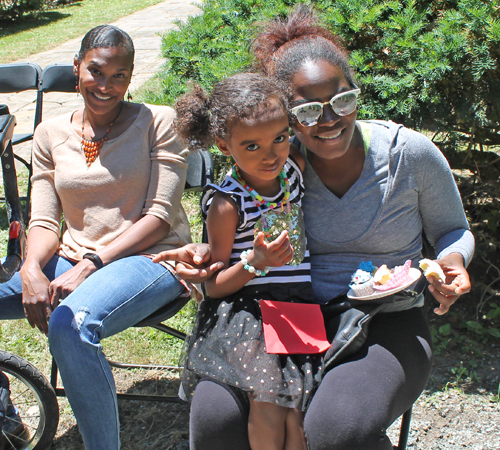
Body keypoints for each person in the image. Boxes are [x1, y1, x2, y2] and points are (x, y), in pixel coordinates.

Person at [175, 5, 474, 450]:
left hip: (385, 320)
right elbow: (236, 222)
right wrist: (202, 252)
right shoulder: (279, 163)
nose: (330, 119)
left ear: (357, 91)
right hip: (284, 316)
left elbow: (454, 229)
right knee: (218, 421)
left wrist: (452, 261)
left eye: (342, 100)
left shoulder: (407, 155)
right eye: (309, 110)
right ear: (287, 116)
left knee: (332, 434)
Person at [0, 25, 219, 450]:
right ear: (77, 67)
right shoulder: (49, 134)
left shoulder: (158, 122)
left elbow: (159, 217)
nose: (106, 85)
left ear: (131, 77)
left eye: (120, 76)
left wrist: (92, 263)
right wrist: (29, 268)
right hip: (74, 257)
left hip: (154, 258)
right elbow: (44, 221)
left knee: (71, 323)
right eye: (97, 72)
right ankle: (5, 416)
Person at [161, 72, 321, 450]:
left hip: (297, 305)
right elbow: (212, 284)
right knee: (266, 408)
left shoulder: (292, 170)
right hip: (249, 314)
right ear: (223, 144)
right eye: (251, 146)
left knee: (298, 413)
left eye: (279, 138)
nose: (270, 155)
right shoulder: (226, 203)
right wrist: (256, 262)